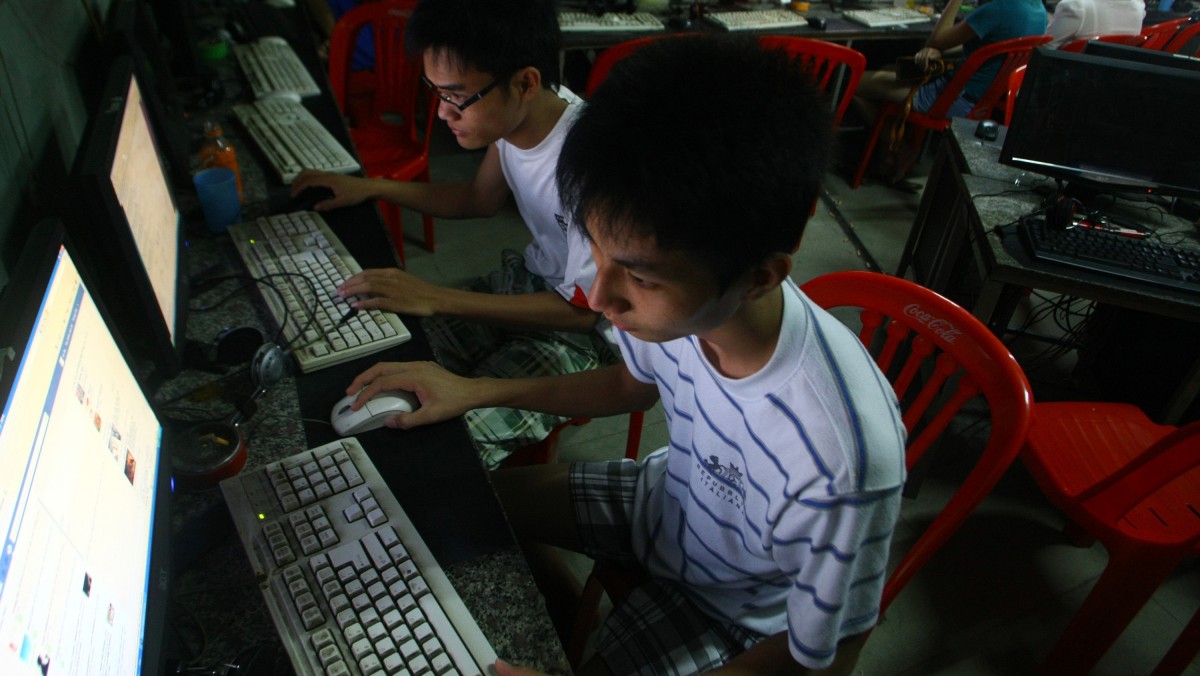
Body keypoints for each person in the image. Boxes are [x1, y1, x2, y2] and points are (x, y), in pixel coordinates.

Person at [342, 34, 909, 675]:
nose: (600, 295)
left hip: (730, 608)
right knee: (457, 502)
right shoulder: (679, 306)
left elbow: (821, 661)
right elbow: (627, 387)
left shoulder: (841, 457)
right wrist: (475, 389)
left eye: (639, 276)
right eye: (596, 249)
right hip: (663, 500)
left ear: (759, 276)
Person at [291, 0, 615, 469]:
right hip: (530, 285)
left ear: (524, 82)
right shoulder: (521, 118)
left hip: (588, 335)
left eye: (455, 96)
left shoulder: (588, 166)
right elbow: (476, 200)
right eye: (436, 92)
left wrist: (434, 296)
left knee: (442, 451)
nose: (443, 113)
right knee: (383, 360)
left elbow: (585, 316)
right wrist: (372, 186)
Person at [854, 0, 1047, 189]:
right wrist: (939, 49)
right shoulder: (1038, 9)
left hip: (950, 100)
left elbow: (937, 39)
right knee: (890, 69)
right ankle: (889, 154)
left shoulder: (997, 8)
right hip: (982, 103)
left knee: (854, 81)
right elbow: (983, 43)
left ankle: (900, 148)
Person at [1045, 0, 1146, 48]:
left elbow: (1044, 48)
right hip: (1117, 82)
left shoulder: (1076, 6)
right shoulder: (1139, 7)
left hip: (1069, 82)